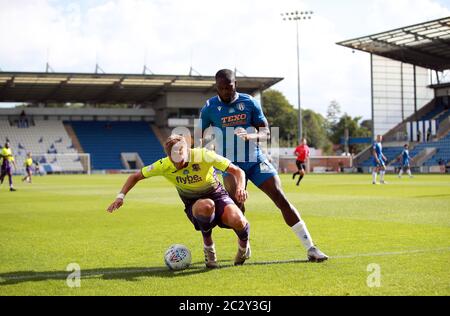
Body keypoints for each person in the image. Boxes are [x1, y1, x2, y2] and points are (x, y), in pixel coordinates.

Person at [198, 69, 328, 262]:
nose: (226, 91)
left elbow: (266, 132)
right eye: (221, 88)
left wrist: (251, 135)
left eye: (229, 87)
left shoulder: (249, 102)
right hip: (230, 165)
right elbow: (200, 138)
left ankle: (311, 248)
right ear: (216, 87)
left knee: (280, 197)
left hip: (255, 160)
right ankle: (245, 244)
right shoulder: (209, 107)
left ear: (236, 84)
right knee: (238, 207)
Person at [107, 135, 251, 268]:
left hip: (217, 193)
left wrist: (240, 188)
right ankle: (209, 247)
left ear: (187, 151)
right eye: (174, 161)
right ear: (169, 156)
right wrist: (120, 197)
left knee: (238, 219)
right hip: (193, 201)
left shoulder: (203, 155)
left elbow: (238, 171)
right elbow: (135, 176)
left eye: (181, 160)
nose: (178, 165)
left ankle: (243, 248)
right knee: (206, 206)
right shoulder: (163, 165)